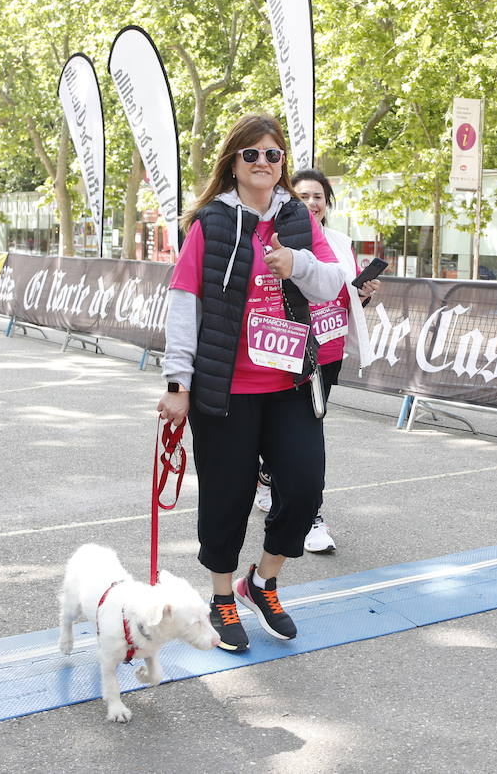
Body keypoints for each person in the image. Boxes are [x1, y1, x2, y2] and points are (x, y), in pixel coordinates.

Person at [156, 113, 346, 652]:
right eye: (252, 155)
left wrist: (298, 263)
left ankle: (261, 581)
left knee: (305, 486)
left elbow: (334, 282)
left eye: (274, 155)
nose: (264, 163)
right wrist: (177, 383)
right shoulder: (211, 223)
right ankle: (221, 596)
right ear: (233, 162)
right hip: (226, 388)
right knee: (226, 497)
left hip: (289, 384)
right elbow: (183, 304)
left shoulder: (297, 220)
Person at [255, 168, 380, 554]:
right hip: (286, 350)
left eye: (318, 197)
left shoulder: (340, 242)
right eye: (304, 196)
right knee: (289, 434)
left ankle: (297, 503)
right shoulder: (275, 236)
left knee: (306, 433)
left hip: (326, 351)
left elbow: (346, 298)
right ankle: (291, 498)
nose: (312, 203)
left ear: (327, 203)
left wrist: (364, 293)